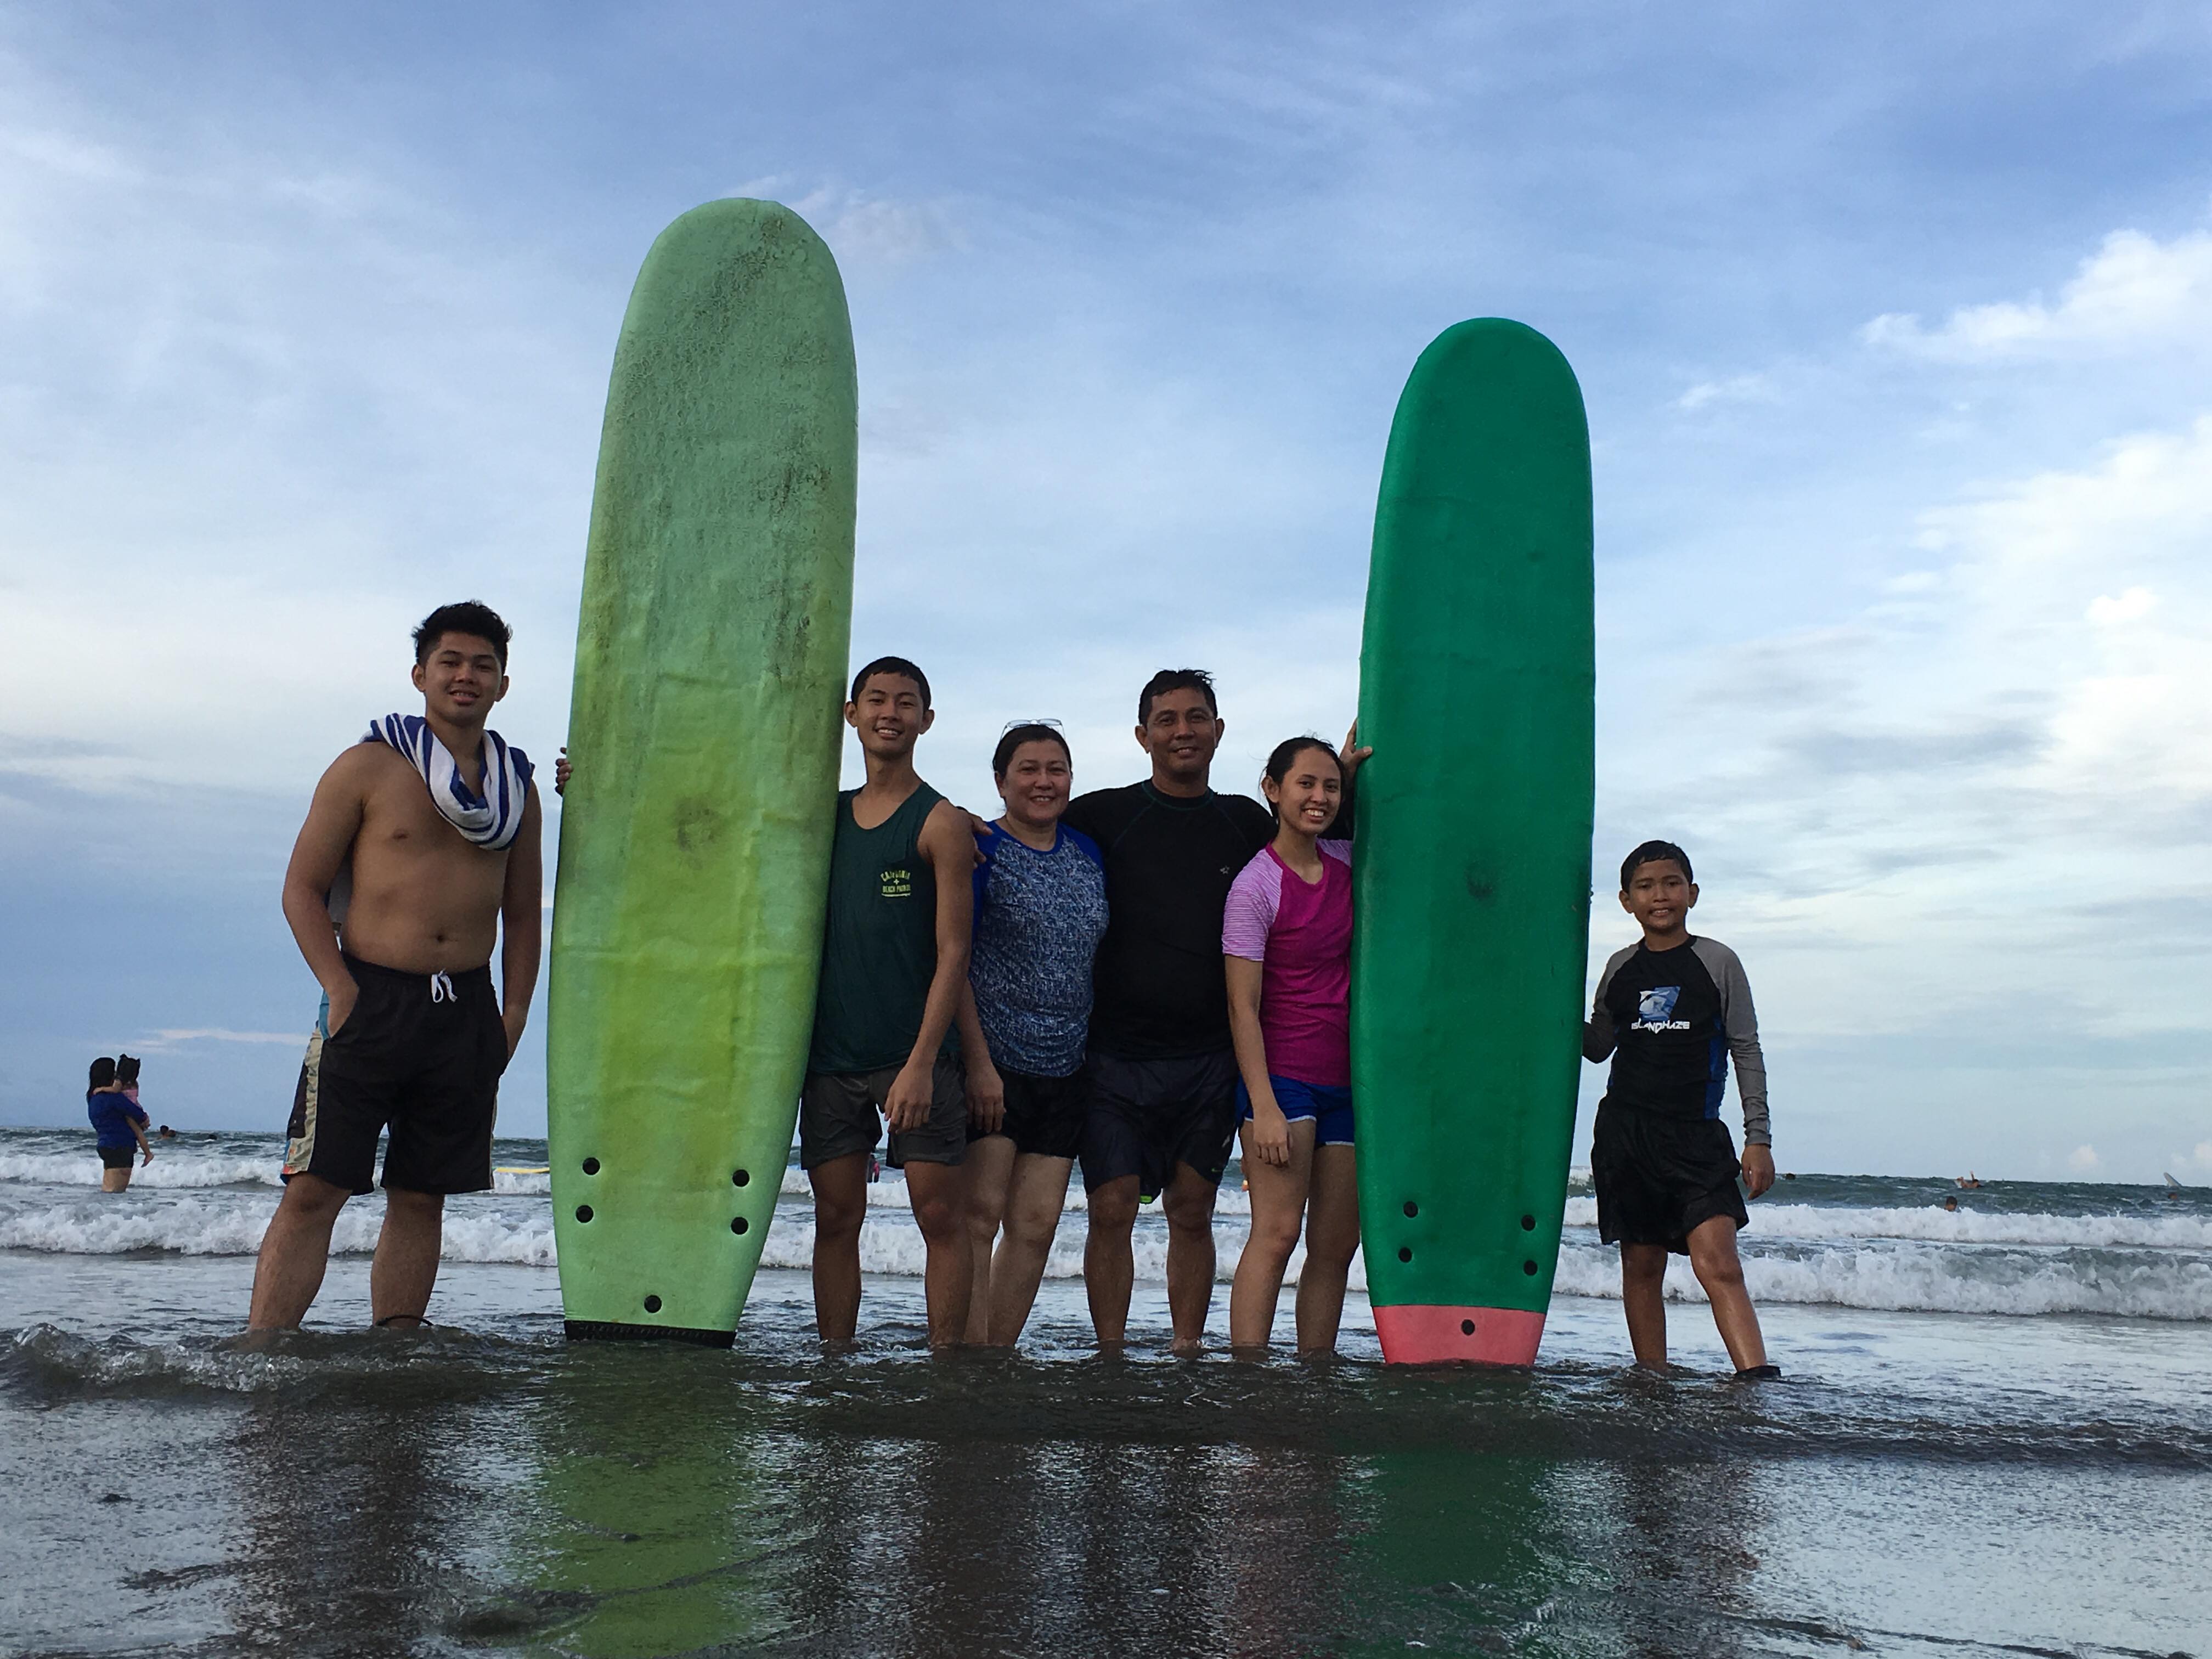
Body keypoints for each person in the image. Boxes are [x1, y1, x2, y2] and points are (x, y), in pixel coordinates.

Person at [246, 601, 542, 1333]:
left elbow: (523, 915)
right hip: (370, 997)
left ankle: (397, 1356)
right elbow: (301, 889)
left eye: (483, 665)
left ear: (503, 684)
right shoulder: (368, 767)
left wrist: (511, 1015)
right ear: (420, 675)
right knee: (314, 1189)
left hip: (464, 1010)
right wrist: (339, 987)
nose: (466, 676)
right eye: (450, 662)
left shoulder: (516, 789)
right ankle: (264, 1353)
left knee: (421, 1194)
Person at [1058, 668, 1364, 1353]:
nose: (1183, 731)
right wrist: (973, 830)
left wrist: (1340, 778)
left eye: (1197, 717)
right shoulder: (1102, 815)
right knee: (1111, 1207)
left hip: (1207, 1059)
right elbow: (1032, 828)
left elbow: (1314, 839)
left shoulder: (1244, 823)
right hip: (1117, 1053)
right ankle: (1111, 1356)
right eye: (1166, 720)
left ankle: (1189, 1350)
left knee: (1193, 1208)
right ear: (1142, 735)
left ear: (1219, 730)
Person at [802, 657, 981, 1350]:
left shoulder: (939, 822)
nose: (890, 713)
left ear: (926, 721)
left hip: (917, 1057)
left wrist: (922, 1063)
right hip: (832, 1057)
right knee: (834, 1219)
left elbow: (955, 953)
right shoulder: (823, 816)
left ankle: (945, 1369)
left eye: (906, 703)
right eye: (876, 700)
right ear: (851, 714)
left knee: (939, 1217)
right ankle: (834, 1361)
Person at [1583, 840, 1776, 1378]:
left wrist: (1757, 1137)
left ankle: (1755, 1380)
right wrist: (1548, 1001)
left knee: (1720, 1264)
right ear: (1626, 900)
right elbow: (1598, 1046)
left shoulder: (1717, 962)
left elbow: (1746, 1048)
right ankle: (1653, 1379)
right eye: (1645, 887)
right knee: (1642, 1266)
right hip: (1627, 1137)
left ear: (1692, 893)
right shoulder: (1620, 968)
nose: (1660, 896)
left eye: (1671, 884)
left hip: (1696, 1136)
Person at [956, 721, 1109, 1346]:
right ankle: (964, 1355)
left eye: (1056, 769)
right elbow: (953, 959)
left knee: (1038, 1224)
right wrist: (978, 1065)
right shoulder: (980, 849)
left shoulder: (1089, 852)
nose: (1044, 782)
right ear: (1001, 781)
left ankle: (995, 1355)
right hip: (995, 1065)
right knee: (979, 1217)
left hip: (1067, 1066)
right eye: (1028, 769)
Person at [1223, 737, 1362, 1355]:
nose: (1319, 798)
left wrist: (1350, 772)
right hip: (1282, 1079)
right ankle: (1248, 1370)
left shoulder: (1347, 862)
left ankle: (1316, 1369)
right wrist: (1264, 1106)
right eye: (1305, 784)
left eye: (1330, 787)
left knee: (1336, 1246)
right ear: (1272, 790)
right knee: (1277, 1234)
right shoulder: (1255, 886)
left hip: (1348, 1082)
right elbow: (1241, 1007)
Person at [86, 1056, 151, 1192]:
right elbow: (138, 1115)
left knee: (108, 1189)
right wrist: (144, 1119)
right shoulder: (113, 1098)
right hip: (121, 1146)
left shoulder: (94, 1097)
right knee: (115, 1192)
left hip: (106, 1144)